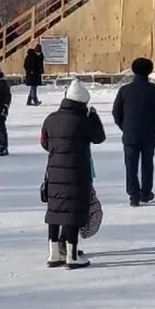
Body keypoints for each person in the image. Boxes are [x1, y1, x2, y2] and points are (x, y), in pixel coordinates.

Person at [41, 79, 106, 269]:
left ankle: (54, 255)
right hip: (77, 173)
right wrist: (94, 117)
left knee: (55, 212)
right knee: (73, 213)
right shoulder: (83, 121)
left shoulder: (50, 119)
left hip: (54, 172)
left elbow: (45, 143)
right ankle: (72, 256)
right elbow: (99, 137)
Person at [112, 57, 155, 207]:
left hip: (130, 134)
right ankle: (146, 192)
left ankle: (133, 194)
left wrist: (124, 126)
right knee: (147, 164)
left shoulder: (125, 90)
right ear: (150, 71)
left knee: (130, 165)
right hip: (149, 134)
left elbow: (116, 112)